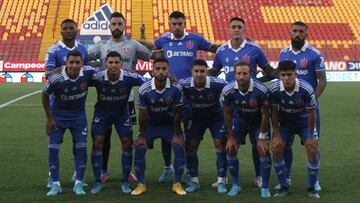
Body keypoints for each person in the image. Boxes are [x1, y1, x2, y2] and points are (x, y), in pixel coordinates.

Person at [138, 11, 219, 183]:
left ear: (184, 23)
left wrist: (215, 69)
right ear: (170, 24)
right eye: (173, 24)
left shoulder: (195, 39)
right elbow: (149, 46)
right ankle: (168, 168)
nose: (176, 27)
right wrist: (138, 37)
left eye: (179, 23)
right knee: (168, 130)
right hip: (170, 91)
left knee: (187, 135)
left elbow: (216, 49)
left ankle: (189, 171)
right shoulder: (165, 39)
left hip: (189, 93)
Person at [208, 17, 276, 188]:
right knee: (227, 143)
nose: (236, 29)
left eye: (239, 27)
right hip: (234, 106)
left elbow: (270, 71)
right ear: (229, 29)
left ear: (244, 29)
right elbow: (214, 73)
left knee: (258, 144)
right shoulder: (222, 51)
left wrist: (258, 80)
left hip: (255, 105)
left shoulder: (255, 49)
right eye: (234, 27)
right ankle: (222, 178)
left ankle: (259, 177)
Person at [88, 12, 151, 181]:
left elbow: (151, 56)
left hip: (127, 99)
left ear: (124, 26)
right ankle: (103, 169)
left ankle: (127, 170)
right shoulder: (101, 46)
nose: (116, 27)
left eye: (119, 24)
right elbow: (83, 58)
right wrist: (95, 66)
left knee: (127, 138)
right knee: (104, 137)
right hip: (106, 98)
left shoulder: (133, 45)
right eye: (113, 24)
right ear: (109, 26)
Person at [276, 21, 326, 191]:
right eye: (294, 31)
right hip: (287, 111)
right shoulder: (283, 53)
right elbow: (279, 77)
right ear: (290, 33)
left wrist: (311, 99)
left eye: (300, 31)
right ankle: (286, 178)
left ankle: (315, 180)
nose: (297, 34)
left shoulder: (314, 54)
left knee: (312, 144)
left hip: (308, 112)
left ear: (306, 33)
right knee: (284, 145)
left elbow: (322, 81)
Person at [89, 51, 147, 194]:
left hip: (122, 114)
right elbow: (80, 80)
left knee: (127, 142)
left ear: (121, 64)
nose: (114, 65)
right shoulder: (97, 76)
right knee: (97, 142)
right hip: (102, 114)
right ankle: (97, 181)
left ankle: (125, 181)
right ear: (105, 64)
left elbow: (147, 84)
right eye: (111, 62)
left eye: (116, 62)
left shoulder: (129, 77)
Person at [131, 57, 187, 196]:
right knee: (140, 148)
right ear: (152, 71)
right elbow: (142, 115)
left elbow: (177, 113)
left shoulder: (176, 88)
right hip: (150, 125)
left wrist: (177, 134)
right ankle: (141, 184)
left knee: (178, 146)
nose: (161, 72)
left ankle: (177, 183)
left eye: (164, 69)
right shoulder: (144, 89)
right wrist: (142, 136)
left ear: (168, 71)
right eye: (158, 69)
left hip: (169, 125)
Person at [42, 51, 94, 196]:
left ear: (82, 63)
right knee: (53, 148)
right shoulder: (56, 78)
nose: (74, 65)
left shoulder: (88, 73)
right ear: (66, 62)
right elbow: (45, 95)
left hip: (78, 117)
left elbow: (102, 72)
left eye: (78, 62)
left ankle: (78, 183)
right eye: (71, 62)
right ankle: (55, 184)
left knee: (81, 148)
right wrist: (49, 118)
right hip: (58, 117)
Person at [44, 19, 89, 187]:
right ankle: (52, 175)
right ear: (61, 31)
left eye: (72, 28)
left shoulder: (83, 49)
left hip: (77, 105)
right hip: (58, 104)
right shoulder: (53, 50)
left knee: (78, 142)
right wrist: (62, 71)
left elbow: (87, 69)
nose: (69, 31)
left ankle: (78, 173)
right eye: (66, 28)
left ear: (76, 30)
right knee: (55, 143)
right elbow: (48, 72)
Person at [268, 61, 320, 198]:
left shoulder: (306, 89)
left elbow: (311, 113)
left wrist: (310, 135)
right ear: (279, 75)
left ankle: (311, 188)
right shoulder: (273, 89)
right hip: (284, 123)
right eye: (283, 75)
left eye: (289, 75)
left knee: (312, 148)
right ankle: (283, 186)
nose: (286, 78)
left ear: (295, 74)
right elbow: (273, 112)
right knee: (277, 148)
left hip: (304, 123)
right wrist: (277, 134)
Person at [222, 61, 271, 197]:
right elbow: (226, 113)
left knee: (263, 149)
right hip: (240, 120)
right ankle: (236, 184)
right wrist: (230, 136)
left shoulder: (261, 90)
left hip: (258, 122)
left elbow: (265, 114)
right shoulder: (228, 90)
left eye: (245, 73)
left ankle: (264, 186)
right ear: (234, 74)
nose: (242, 77)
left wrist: (261, 137)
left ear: (251, 74)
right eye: (239, 73)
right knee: (231, 148)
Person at [178, 59, 227, 193]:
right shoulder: (184, 84)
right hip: (195, 120)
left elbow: (232, 90)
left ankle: (221, 181)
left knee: (220, 144)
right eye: (196, 71)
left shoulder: (218, 83)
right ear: (191, 72)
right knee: (191, 147)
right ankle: (194, 181)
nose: (199, 74)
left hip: (216, 119)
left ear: (207, 72)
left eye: (202, 71)